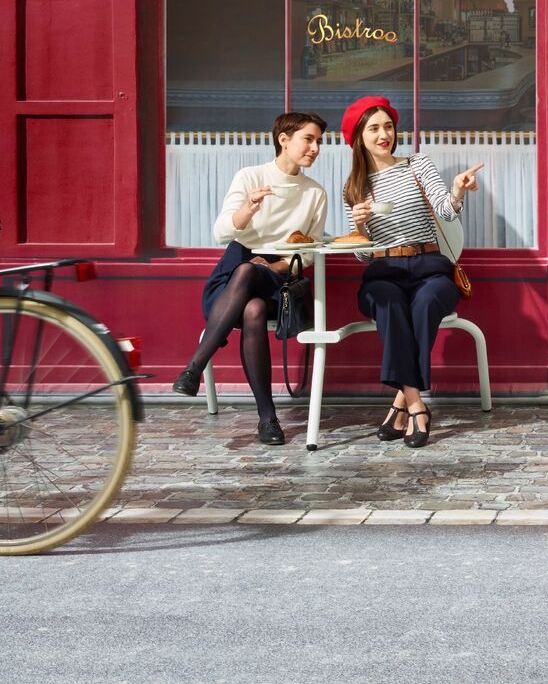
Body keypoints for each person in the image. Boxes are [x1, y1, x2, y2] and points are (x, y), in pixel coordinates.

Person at [172, 112, 329, 446]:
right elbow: (221, 233)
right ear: (283, 140)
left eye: (319, 141)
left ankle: (194, 367)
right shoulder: (250, 177)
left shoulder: (314, 193)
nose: (315, 148)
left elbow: (309, 254)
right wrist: (248, 209)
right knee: (251, 306)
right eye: (308, 139)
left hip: (280, 280)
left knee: (252, 279)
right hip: (233, 276)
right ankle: (267, 418)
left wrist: (273, 268)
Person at [342, 95, 483, 448]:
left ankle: (402, 402)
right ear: (359, 136)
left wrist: (457, 191)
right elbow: (362, 255)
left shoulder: (417, 165)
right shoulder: (355, 188)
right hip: (383, 272)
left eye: (388, 126)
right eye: (374, 128)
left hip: (429, 267)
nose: (383, 135)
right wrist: (359, 227)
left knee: (426, 303)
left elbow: (445, 212)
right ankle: (418, 405)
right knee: (388, 303)